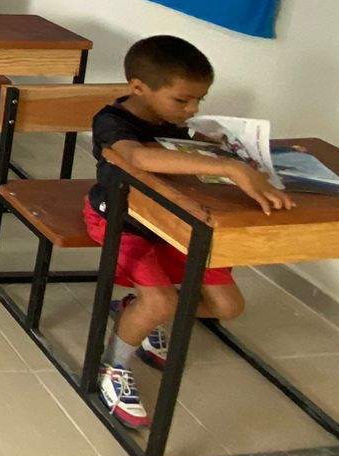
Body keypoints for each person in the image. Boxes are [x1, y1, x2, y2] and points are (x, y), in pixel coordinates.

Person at [87, 35, 291, 429]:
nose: (192, 109)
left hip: (176, 222)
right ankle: (114, 365)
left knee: (229, 307)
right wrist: (229, 169)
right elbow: (138, 156)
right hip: (124, 221)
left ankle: (137, 310)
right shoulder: (111, 121)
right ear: (138, 89)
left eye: (200, 99)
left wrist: (223, 150)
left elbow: (184, 159)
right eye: (182, 101)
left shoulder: (175, 123)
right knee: (161, 303)